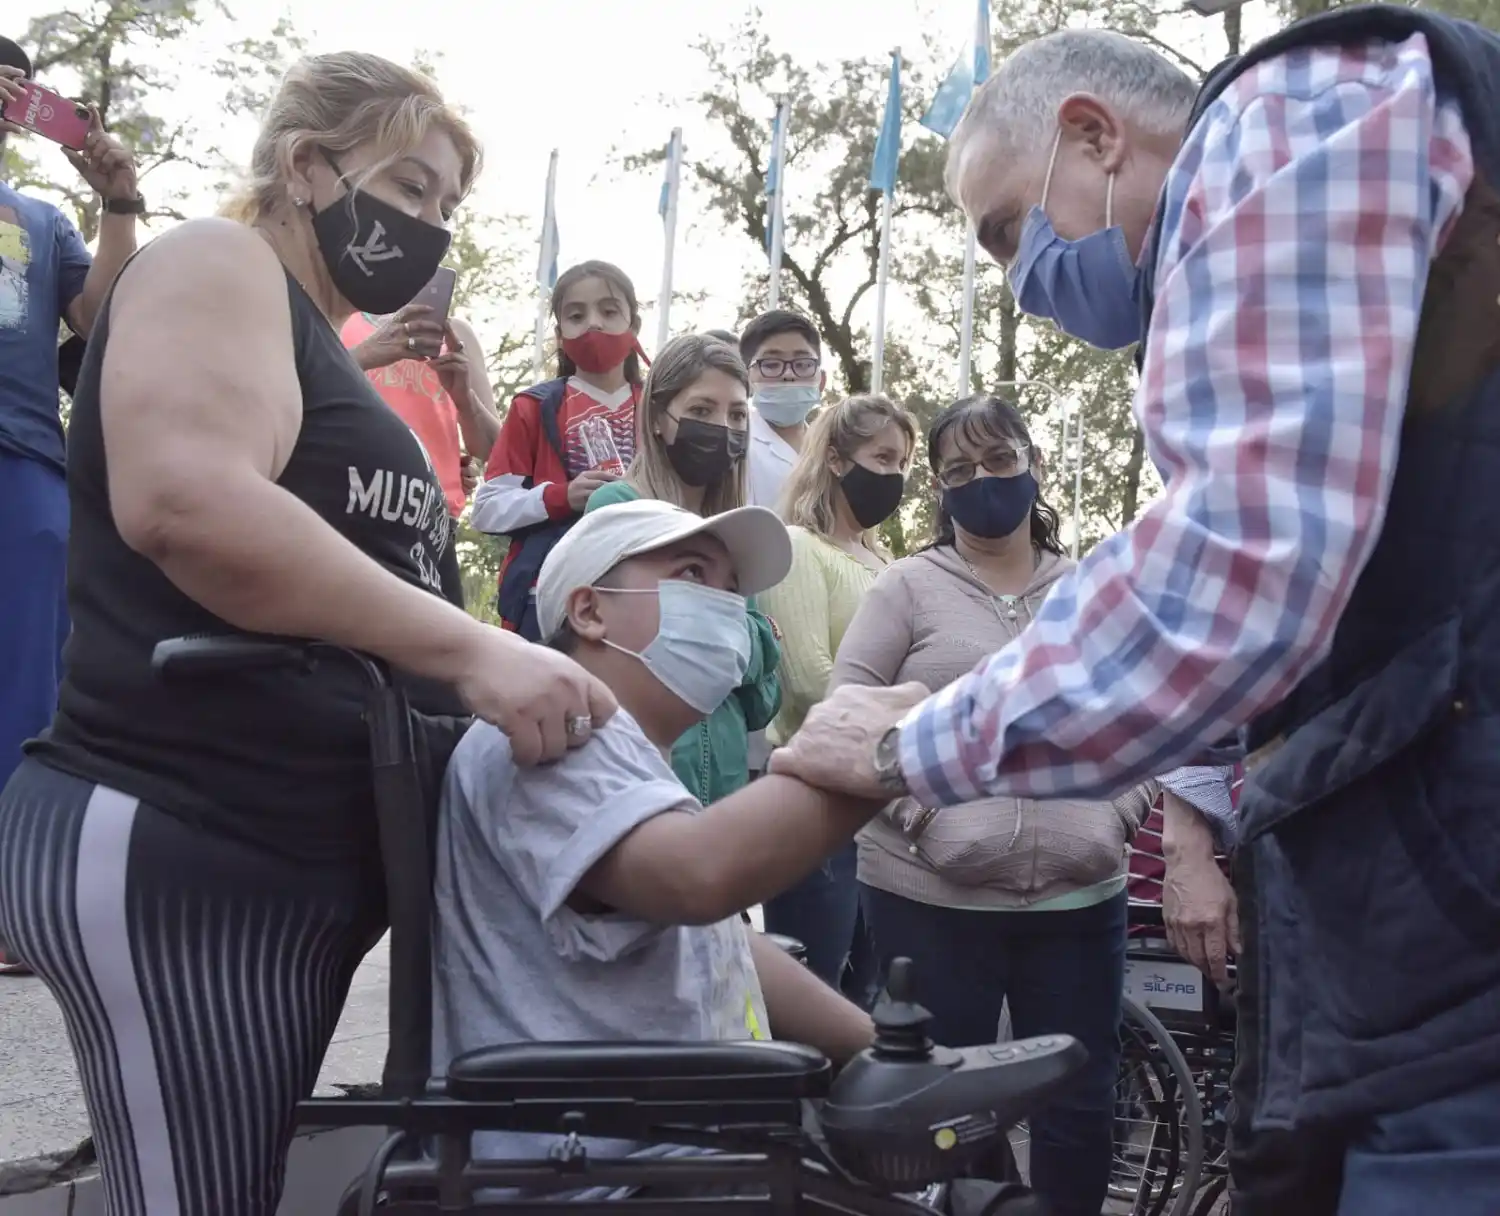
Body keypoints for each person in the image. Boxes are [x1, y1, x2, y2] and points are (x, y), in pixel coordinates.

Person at [771, 10, 1500, 1215]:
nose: (1022, 286)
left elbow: (1237, 567)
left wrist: (910, 744)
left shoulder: (1287, 118)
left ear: (1095, 134)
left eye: (1010, 230)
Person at [0, 52, 616, 1216]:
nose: (429, 225)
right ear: (306, 166)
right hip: (179, 837)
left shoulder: (328, 353)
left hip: (283, 873)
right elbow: (184, 499)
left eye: (446, 206)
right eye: (412, 185)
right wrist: (477, 651)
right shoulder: (216, 262)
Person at [433, 497, 897, 1193]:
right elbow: (696, 877)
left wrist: (889, 1055)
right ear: (589, 612)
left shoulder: (630, 754)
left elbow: (721, 942)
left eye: (732, 588)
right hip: (605, 1182)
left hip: (681, 1159)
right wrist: (889, 752)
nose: (725, 606)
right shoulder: (551, 734)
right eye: (692, 574)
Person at [827, 394, 1156, 1216]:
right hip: (927, 897)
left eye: (1001, 461)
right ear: (939, 488)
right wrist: (927, 818)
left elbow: (1152, 715)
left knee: (1079, 1108)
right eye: (959, 471)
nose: (984, 482)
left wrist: (1114, 816)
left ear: (1032, 464)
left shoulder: (1092, 589)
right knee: (946, 1108)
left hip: (1082, 900)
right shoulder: (906, 587)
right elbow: (848, 716)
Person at [0, 36, 140, 976]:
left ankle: (13, 908)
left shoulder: (39, 219)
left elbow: (106, 311)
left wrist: (119, 201)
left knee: (27, 683)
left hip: (24, 464)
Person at [756, 393, 916, 993]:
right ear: (835, 460)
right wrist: (907, 737)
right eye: (881, 457)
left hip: (884, 808)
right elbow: (806, 679)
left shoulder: (884, 561)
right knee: (814, 987)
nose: (894, 476)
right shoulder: (799, 548)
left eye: (902, 463)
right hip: (817, 810)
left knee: (874, 998)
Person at [585, 334, 781, 805]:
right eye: (701, 410)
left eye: (737, 415)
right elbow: (637, 640)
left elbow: (764, 694)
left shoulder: (737, 530)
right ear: (658, 418)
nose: (722, 426)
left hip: (730, 777)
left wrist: (747, 641)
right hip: (643, 772)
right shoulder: (617, 506)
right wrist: (753, 637)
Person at [472, 259, 644, 639]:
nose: (593, 324)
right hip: (548, 593)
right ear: (560, 333)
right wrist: (562, 497)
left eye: (609, 310)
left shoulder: (661, 408)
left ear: (634, 325)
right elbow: (487, 509)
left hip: (643, 587)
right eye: (576, 315)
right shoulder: (533, 407)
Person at [342, 302, 499, 605]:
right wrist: (366, 354)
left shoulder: (456, 334)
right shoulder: (339, 317)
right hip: (350, 507)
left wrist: (465, 401)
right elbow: (301, 385)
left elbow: (494, 449)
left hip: (433, 523)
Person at [739, 309, 825, 510]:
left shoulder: (832, 449)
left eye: (803, 364)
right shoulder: (735, 445)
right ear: (746, 378)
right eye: (771, 364)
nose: (788, 374)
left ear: (821, 379)